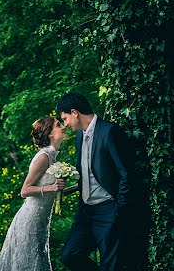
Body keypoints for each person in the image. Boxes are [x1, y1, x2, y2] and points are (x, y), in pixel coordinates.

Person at [57, 92, 137, 271]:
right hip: (86, 213)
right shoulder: (79, 137)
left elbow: (127, 174)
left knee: (111, 265)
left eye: (65, 118)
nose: (65, 124)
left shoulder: (109, 131)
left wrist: (119, 210)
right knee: (69, 255)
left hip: (109, 210)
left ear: (75, 112)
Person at [0, 116, 66, 271]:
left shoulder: (53, 157)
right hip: (29, 221)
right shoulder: (43, 157)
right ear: (50, 134)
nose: (63, 126)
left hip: (41, 222)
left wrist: (75, 187)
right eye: (58, 125)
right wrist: (52, 188)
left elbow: (51, 190)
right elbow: (24, 190)